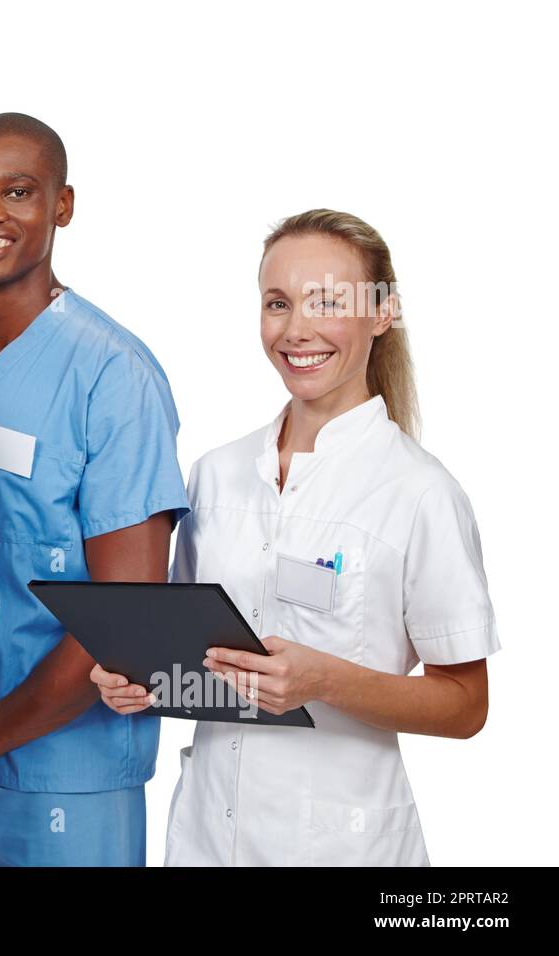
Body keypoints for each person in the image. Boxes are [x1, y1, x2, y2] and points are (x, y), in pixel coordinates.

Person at [93, 209, 497, 866]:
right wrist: (135, 681)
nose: (296, 329)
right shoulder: (217, 474)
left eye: (328, 301)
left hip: (344, 842)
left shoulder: (420, 493)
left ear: (382, 312)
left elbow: (465, 705)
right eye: (277, 303)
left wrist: (325, 681)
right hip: (206, 834)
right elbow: (188, 653)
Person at [0, 114, 188, 867]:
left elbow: (129, 620)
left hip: (63, 782)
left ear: (63, 205)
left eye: (18, 191)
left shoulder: (114, 377)